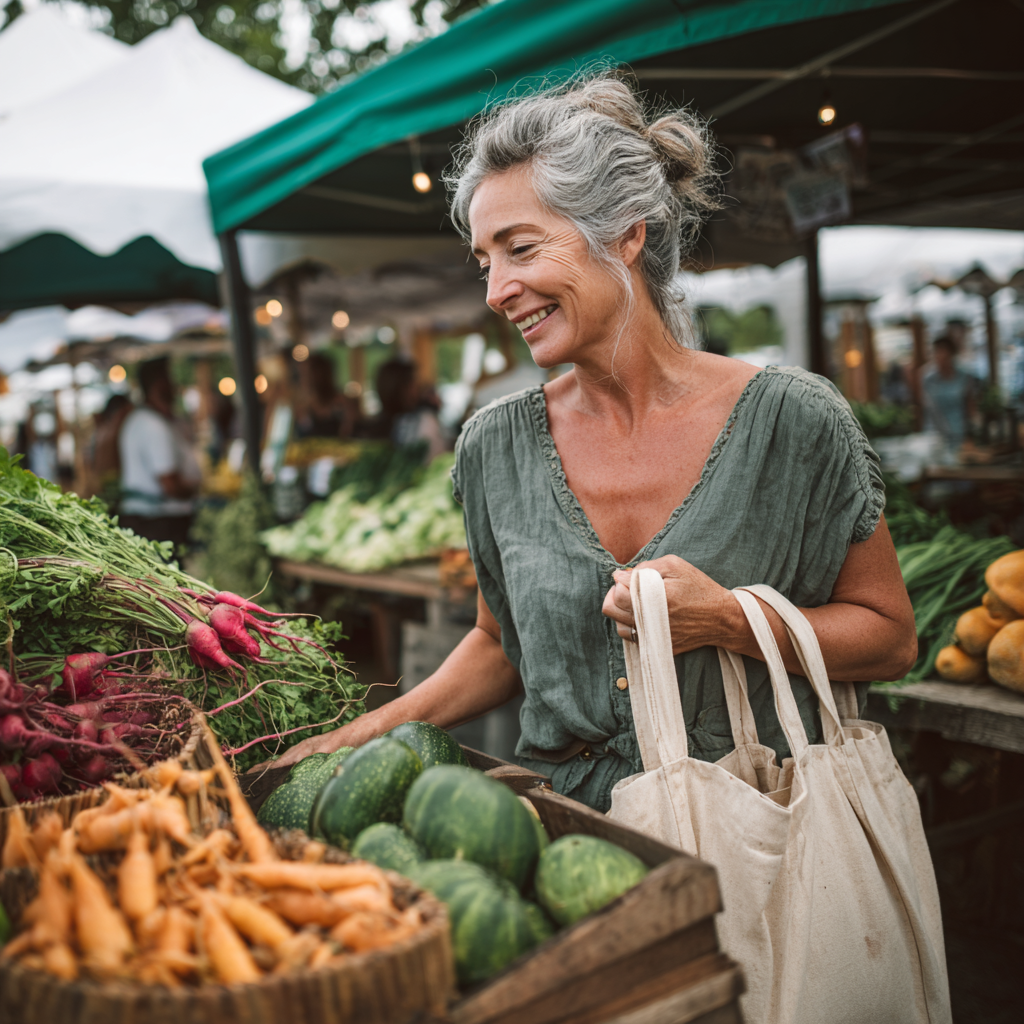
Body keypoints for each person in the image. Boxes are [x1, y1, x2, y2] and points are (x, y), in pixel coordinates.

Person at [270, 73, 916, 814]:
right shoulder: (493, 449)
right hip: (578, 831)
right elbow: (495, 642)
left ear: (626, 233)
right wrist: (358, 734)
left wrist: (731, 620)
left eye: (520, 249)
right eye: (486, 263)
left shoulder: (796, 423)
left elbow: (891, 638)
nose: (496, 290)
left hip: (771, 830)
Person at [118, 358, 201, 549]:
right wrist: (196, 490)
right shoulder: (153, 425)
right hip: (157, 524)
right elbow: (169, 484)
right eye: (170, 379)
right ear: (159, 384)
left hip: (150, 521)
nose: (175, 386)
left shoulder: (141, 419)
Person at [364, 357, 446, 461]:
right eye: (414, 382)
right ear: (404, 388)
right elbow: (435, 459)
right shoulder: (424, 421)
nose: (418, 386)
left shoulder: (374, 427)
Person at [920, 334, 977, 453]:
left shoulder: (964, 376)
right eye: (937, 353)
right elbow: (926, 407)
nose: (940, 357)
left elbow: (970, 407)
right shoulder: (927, 378)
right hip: (935, 436)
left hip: (959, 433)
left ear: (952, 354)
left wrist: (971, 434)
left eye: (944, 353)